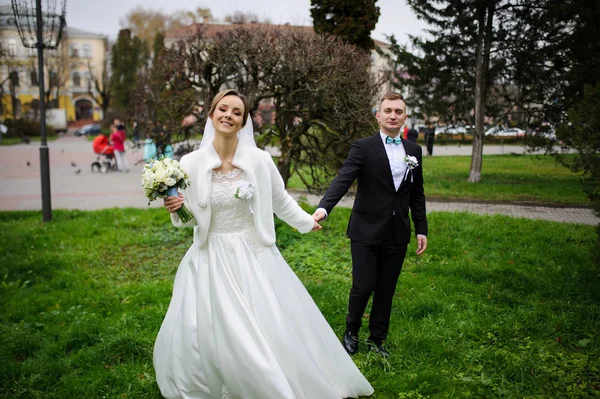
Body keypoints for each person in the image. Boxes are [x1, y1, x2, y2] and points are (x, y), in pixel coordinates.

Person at [155, 89, 374, 399]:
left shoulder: (259, 161)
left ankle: (266, 379)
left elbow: (279, 200)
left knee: (264, 323)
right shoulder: (190, 163)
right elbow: (190, 217)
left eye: (236, 112)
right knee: (207, 326)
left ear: (244, 122)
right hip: (210, 255)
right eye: (223, 109)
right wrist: (176, 210)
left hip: (252, 252)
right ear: (211, 114)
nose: (228, 115)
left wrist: (304, 221)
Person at [313, 91, 428, 358]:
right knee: (363, 286)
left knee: (386, 290)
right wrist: (323, 208)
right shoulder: (363, 147)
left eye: (398, 111)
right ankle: (350, 332)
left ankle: (377, 340)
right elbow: (343, 179)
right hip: (365, 229)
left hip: (398, 231)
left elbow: (417, 193)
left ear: (405, 117)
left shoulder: (414, 151)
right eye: (388, 110)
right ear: (378, 116)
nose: (393, 115)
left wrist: (421, 228)